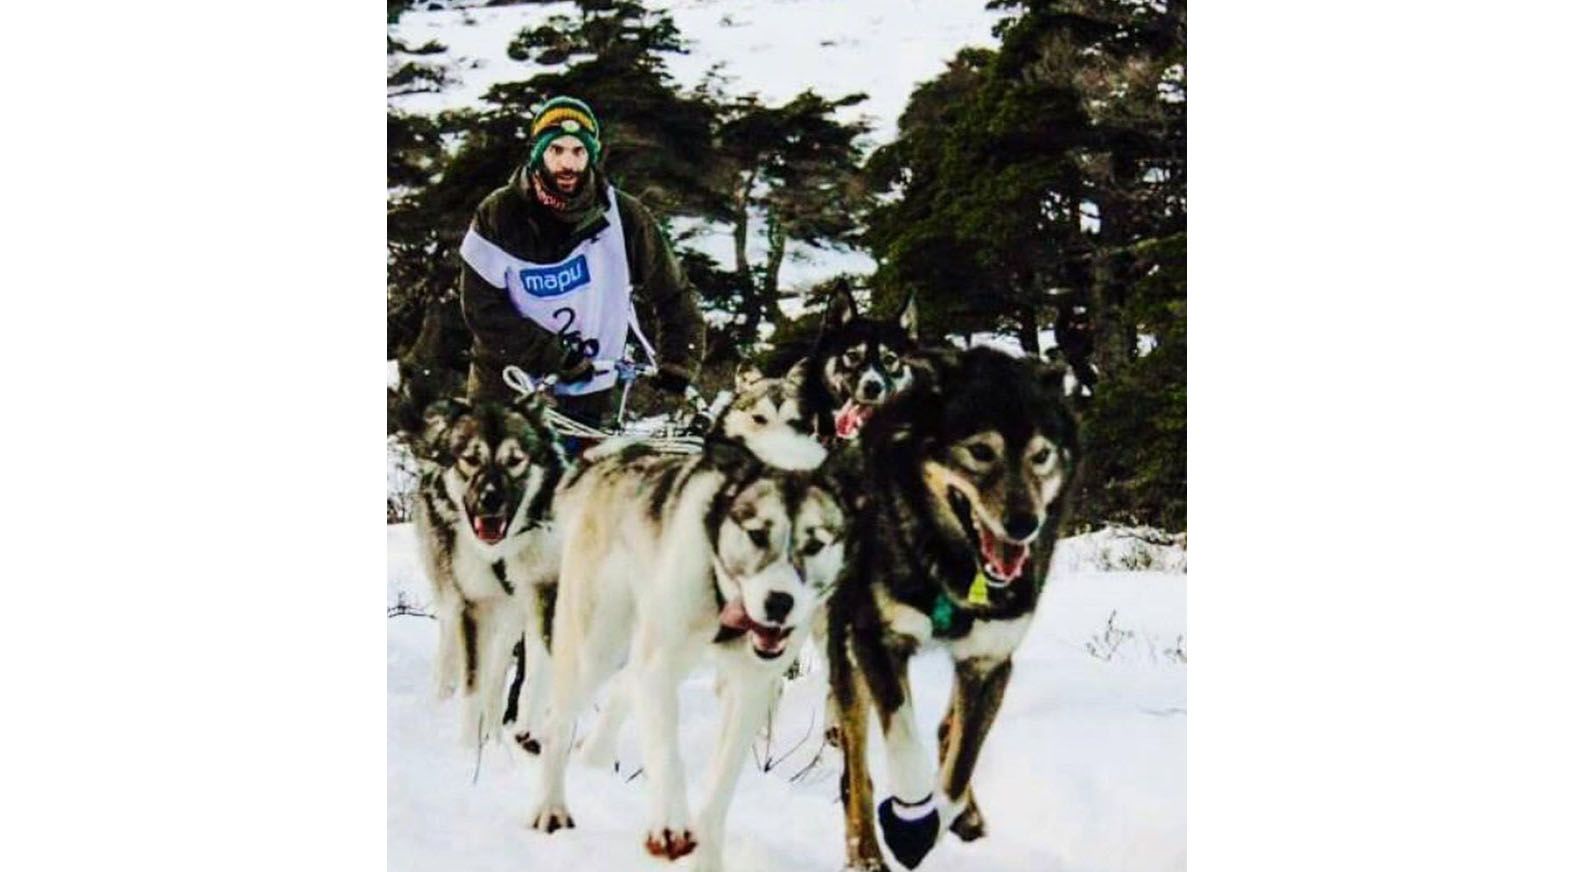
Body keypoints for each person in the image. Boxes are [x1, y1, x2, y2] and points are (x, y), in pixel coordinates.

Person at [457, 96, 704, 425]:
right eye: (556, 150)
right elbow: (483, 309)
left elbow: (674, 294)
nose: (567, 164)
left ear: (592, 155)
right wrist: (553, 356)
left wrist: (677, 366)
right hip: (508, 390)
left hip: (592, 395)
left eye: (579, 151)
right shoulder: (499, 215)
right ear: (538, 153)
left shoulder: (626, 217)